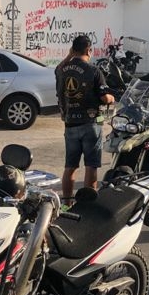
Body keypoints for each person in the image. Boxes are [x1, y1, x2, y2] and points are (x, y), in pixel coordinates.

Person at [56, 34, 115, 202]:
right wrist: (111, 98)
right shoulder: (94, 71)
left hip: (70, 124)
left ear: (73, 50)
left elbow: (59, 68)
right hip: (91, 123)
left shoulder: (62, 69)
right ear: (89, 50)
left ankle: (67, 203)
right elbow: (104, 97)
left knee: (70, 166)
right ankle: (88, 204)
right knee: (91, 166)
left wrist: (70, 55)